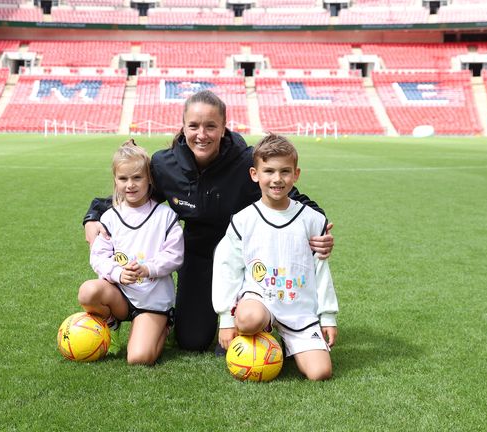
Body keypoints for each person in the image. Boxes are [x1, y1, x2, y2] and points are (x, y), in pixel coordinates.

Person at [83, 90, 334, 353]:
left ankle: (272, 324)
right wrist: (93, 217)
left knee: (247, 321)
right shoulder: (165, 165)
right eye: (193, 126)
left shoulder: (246, 163)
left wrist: (321, 228)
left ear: (224, 128)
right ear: (183, 127)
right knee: (193, 341)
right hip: (198, 256)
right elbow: (133, 194)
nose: (201, 135)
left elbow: (293, 197)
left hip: (245, 258)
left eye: (211, 126)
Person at [212, 133, 338, 381]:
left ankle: (291, 344)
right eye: (268, 171)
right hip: (260, 301)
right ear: (254, 174)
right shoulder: (243, 220)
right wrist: (226, 319)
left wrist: (328, 316)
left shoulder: (312, 219)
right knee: (248, 319)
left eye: (285, 171)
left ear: (296, 174)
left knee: (320, 373)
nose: (277, 179)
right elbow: (227, 267)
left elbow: (321, 270)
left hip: (299, 308)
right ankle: (263, 334)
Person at [78, 140, 184, 365]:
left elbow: (175, 255)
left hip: (152, 299)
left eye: (137, 178)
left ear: (149, 179)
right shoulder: (109, 217)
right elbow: (98, 257)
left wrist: (147, 269)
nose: (130, 185)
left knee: (138, 358)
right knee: (87, 292)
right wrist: (117, 273)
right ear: (115, 180)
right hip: (120, 296)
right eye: (123, 178)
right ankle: (111, 323)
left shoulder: (164, 215)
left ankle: (163, 325)